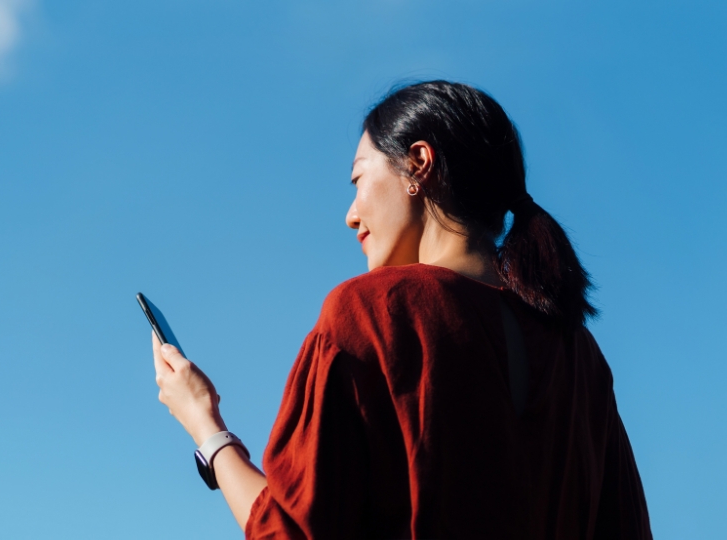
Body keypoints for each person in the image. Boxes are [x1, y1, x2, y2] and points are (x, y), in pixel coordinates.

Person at [151, 80, 652, 539]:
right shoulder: (581, 353)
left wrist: (205, 426)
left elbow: (291, 532)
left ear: (418, 163)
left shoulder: (370, 313)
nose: (350, 216)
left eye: (357, 179)